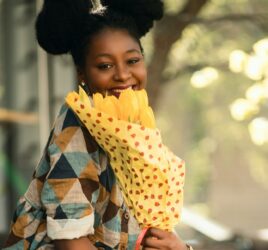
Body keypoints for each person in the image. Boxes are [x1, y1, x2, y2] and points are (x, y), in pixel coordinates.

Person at [3, 0, 192, 249]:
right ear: (82, 73)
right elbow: (71, 243)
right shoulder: (77, 127)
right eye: (105, 65)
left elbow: (148, 223)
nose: (123, 75)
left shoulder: (133, 125)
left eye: (133, 60)